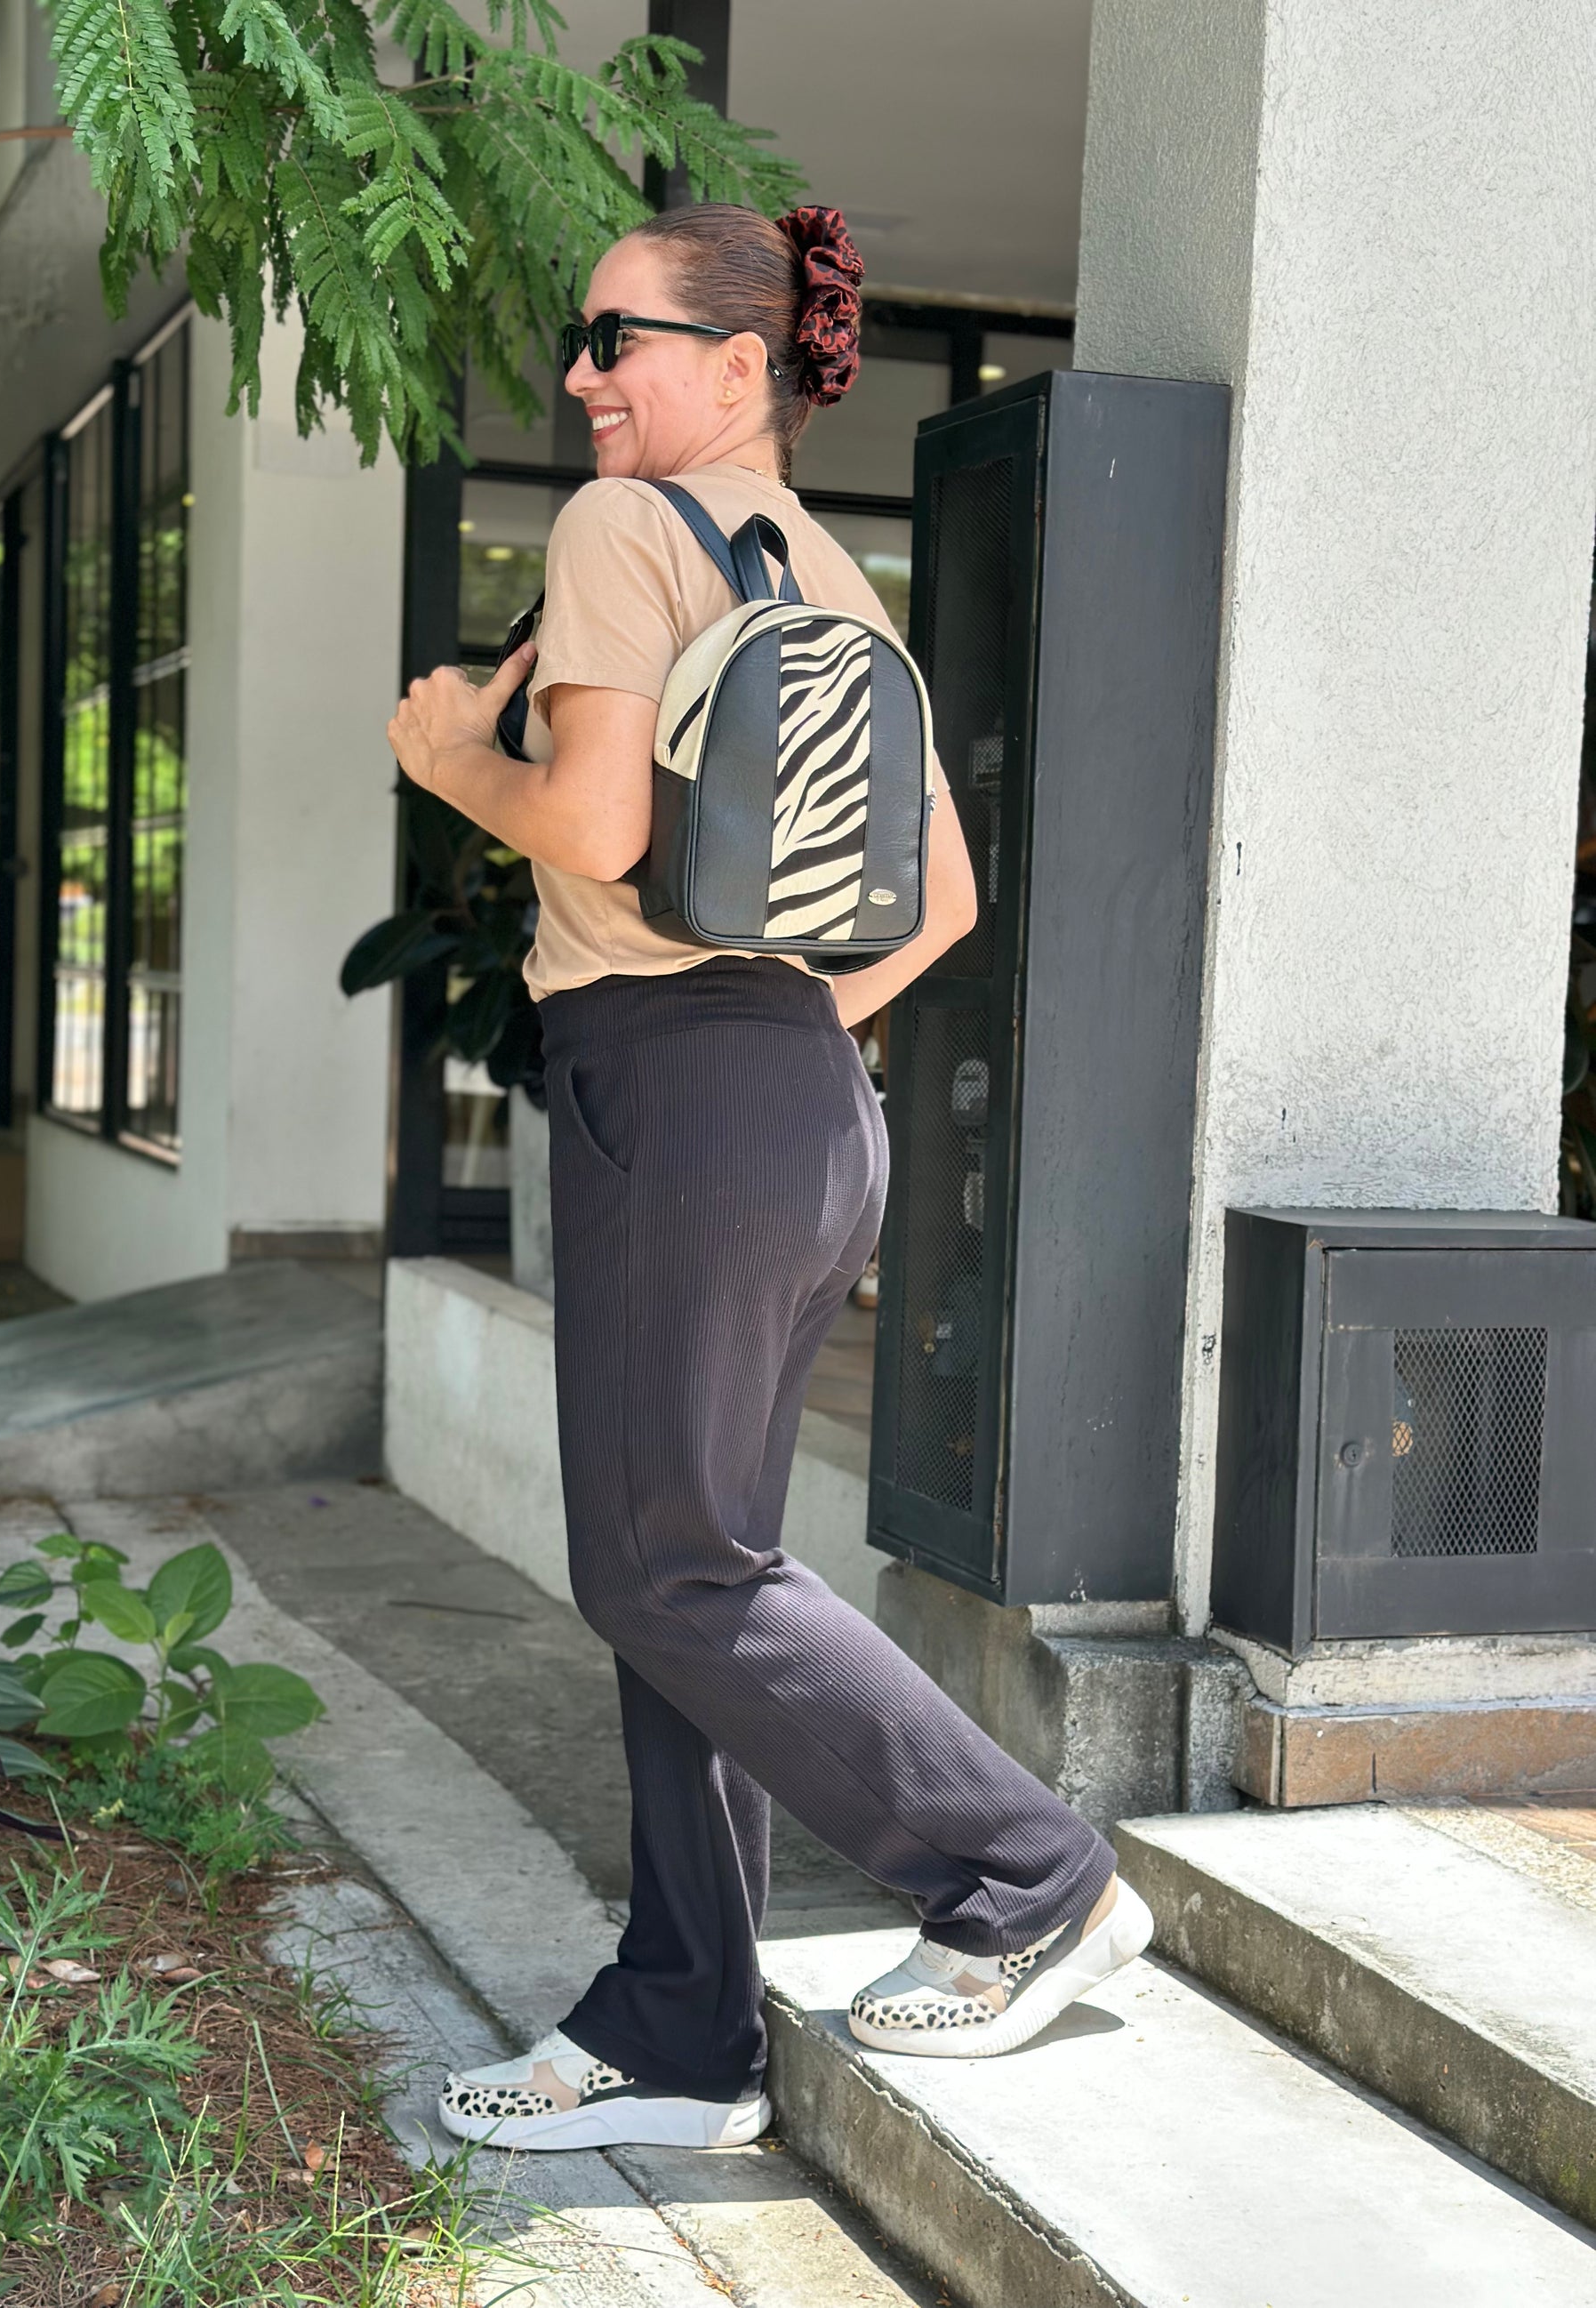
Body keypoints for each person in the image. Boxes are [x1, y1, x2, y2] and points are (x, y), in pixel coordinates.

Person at [387, 203, 1153, 2154]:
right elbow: (946, 898)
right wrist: (786, 1035)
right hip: (803, 1102)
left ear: (739, 365)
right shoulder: (826, 573)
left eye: (616, 339)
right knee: (690, 1565)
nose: (580, 374)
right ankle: (683, 2023)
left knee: (666, 1567)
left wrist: (450, 754)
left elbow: (590, 822)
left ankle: (1029, 1878)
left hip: (674, 1095)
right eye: (579, 340)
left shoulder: (614, 532)